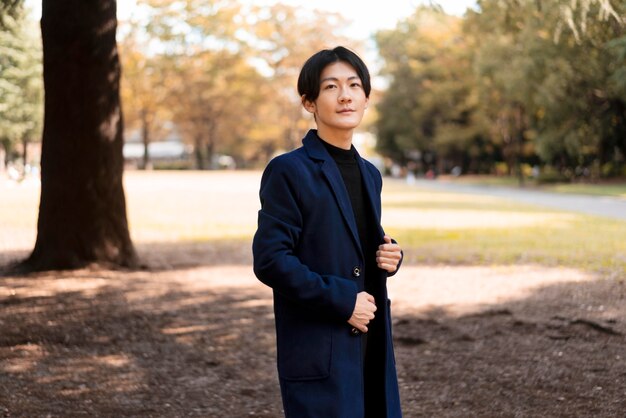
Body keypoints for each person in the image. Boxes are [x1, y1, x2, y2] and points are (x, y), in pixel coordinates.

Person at [253, 46, 403, 418]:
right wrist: (343, 300)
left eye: (354, 85)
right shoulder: (289, 170)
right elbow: (271, 260)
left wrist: (390, 255)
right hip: (321, 347)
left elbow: (353, 241)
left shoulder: (370, 174)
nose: (346, 95)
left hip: (370, 344)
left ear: (367, 97)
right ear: (310, 102)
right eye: (331, 87)